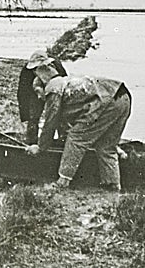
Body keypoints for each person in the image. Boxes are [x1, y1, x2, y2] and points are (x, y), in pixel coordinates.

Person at [26, 62, 132, 191]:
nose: (38, 96)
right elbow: (71, 121)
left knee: (76, 138)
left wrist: (40, 147)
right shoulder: (65, 82)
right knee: (106, 146)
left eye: (38, 91)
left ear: (43, 84)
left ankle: (63, 182)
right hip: (122, 96)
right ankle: (113, 185)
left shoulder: (53, 88)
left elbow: (50, 122)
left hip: (106, 101)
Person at [17, 50, 67, 143]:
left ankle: (63, 140)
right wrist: (25, 115)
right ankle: (32, 142)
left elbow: (64, 84)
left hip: (55, 91)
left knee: (59, 115)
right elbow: (22, 93)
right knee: (33, 117)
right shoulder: (27, 72)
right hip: (35, 92)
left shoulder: (56, 65)